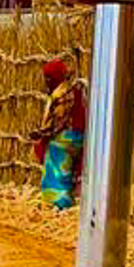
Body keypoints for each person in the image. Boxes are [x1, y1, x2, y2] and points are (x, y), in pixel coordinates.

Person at [31, 58, 89, 209]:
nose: (46, 82)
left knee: (56, 165)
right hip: (80, 137)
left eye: (49, 78)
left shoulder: (61, 95)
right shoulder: (74, 90)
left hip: (66, 138)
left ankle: (57, 201)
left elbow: (58, 122)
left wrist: (42, 134)